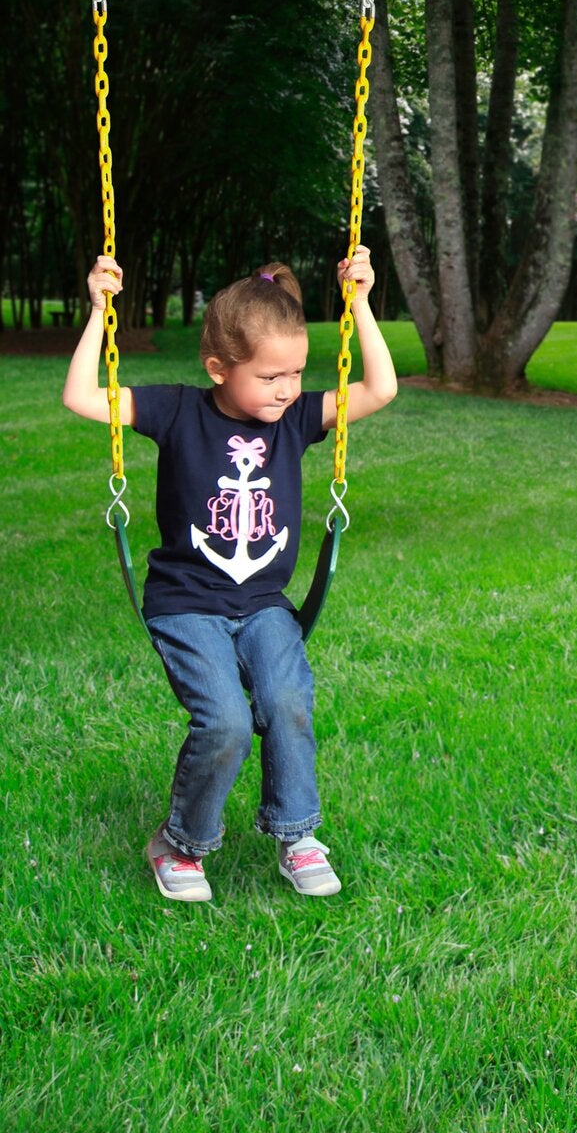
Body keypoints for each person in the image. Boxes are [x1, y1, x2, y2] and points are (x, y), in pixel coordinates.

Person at [63, 248, 398, 902]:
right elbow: (81, 396)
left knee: (287, 704)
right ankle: (180, 843)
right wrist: (99, 309)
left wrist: (359, 303)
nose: (286, 388)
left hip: (265, 601)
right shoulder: (178, 411)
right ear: (219, 368)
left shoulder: (297, 419)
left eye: (296, 373)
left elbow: (379, 389)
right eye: (270, 375)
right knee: (222, 720)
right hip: (186, 600)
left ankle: (297, 835)